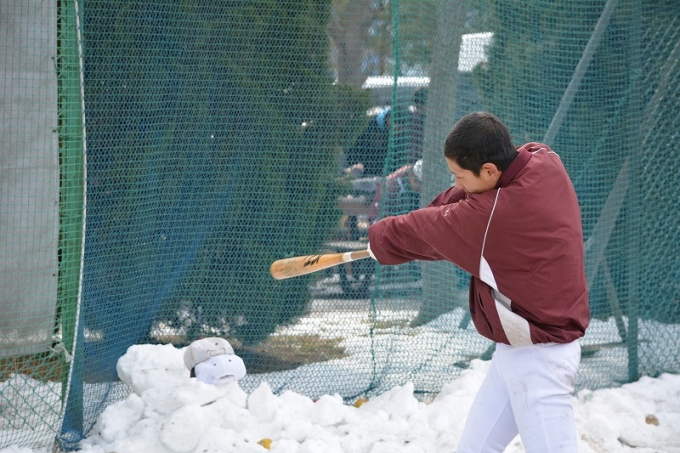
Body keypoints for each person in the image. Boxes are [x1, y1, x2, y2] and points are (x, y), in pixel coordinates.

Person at [366, 112, 589, 452]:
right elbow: (454, 209)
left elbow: (429, 229)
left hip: (541, 359)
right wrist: (390, 243)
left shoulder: (495, 217)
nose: (456, 184)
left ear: (489, 170)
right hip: (518, 350)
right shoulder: (543, 159)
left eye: (459, 175)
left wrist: (379, 242)